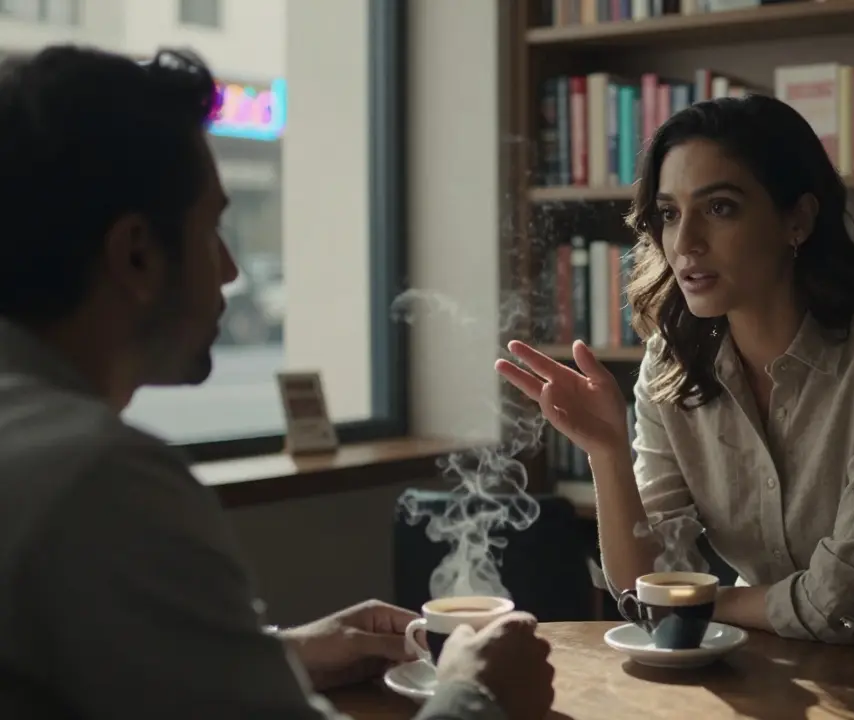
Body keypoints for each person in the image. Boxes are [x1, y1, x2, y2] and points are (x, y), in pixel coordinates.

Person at [0, 45, 553, 719]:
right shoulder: (98, 480)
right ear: (137, 254)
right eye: (212, 228)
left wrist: (279, 654)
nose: (231, 269)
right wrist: (479, 695)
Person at [497, 94, 854, 685]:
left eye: (719, 208)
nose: (685, 243)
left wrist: (699, 604)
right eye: (669, 213)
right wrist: (607, 453)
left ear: (797, 220)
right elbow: (644, 585)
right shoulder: (671, 362)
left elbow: (851, 599)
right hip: (757, 670)